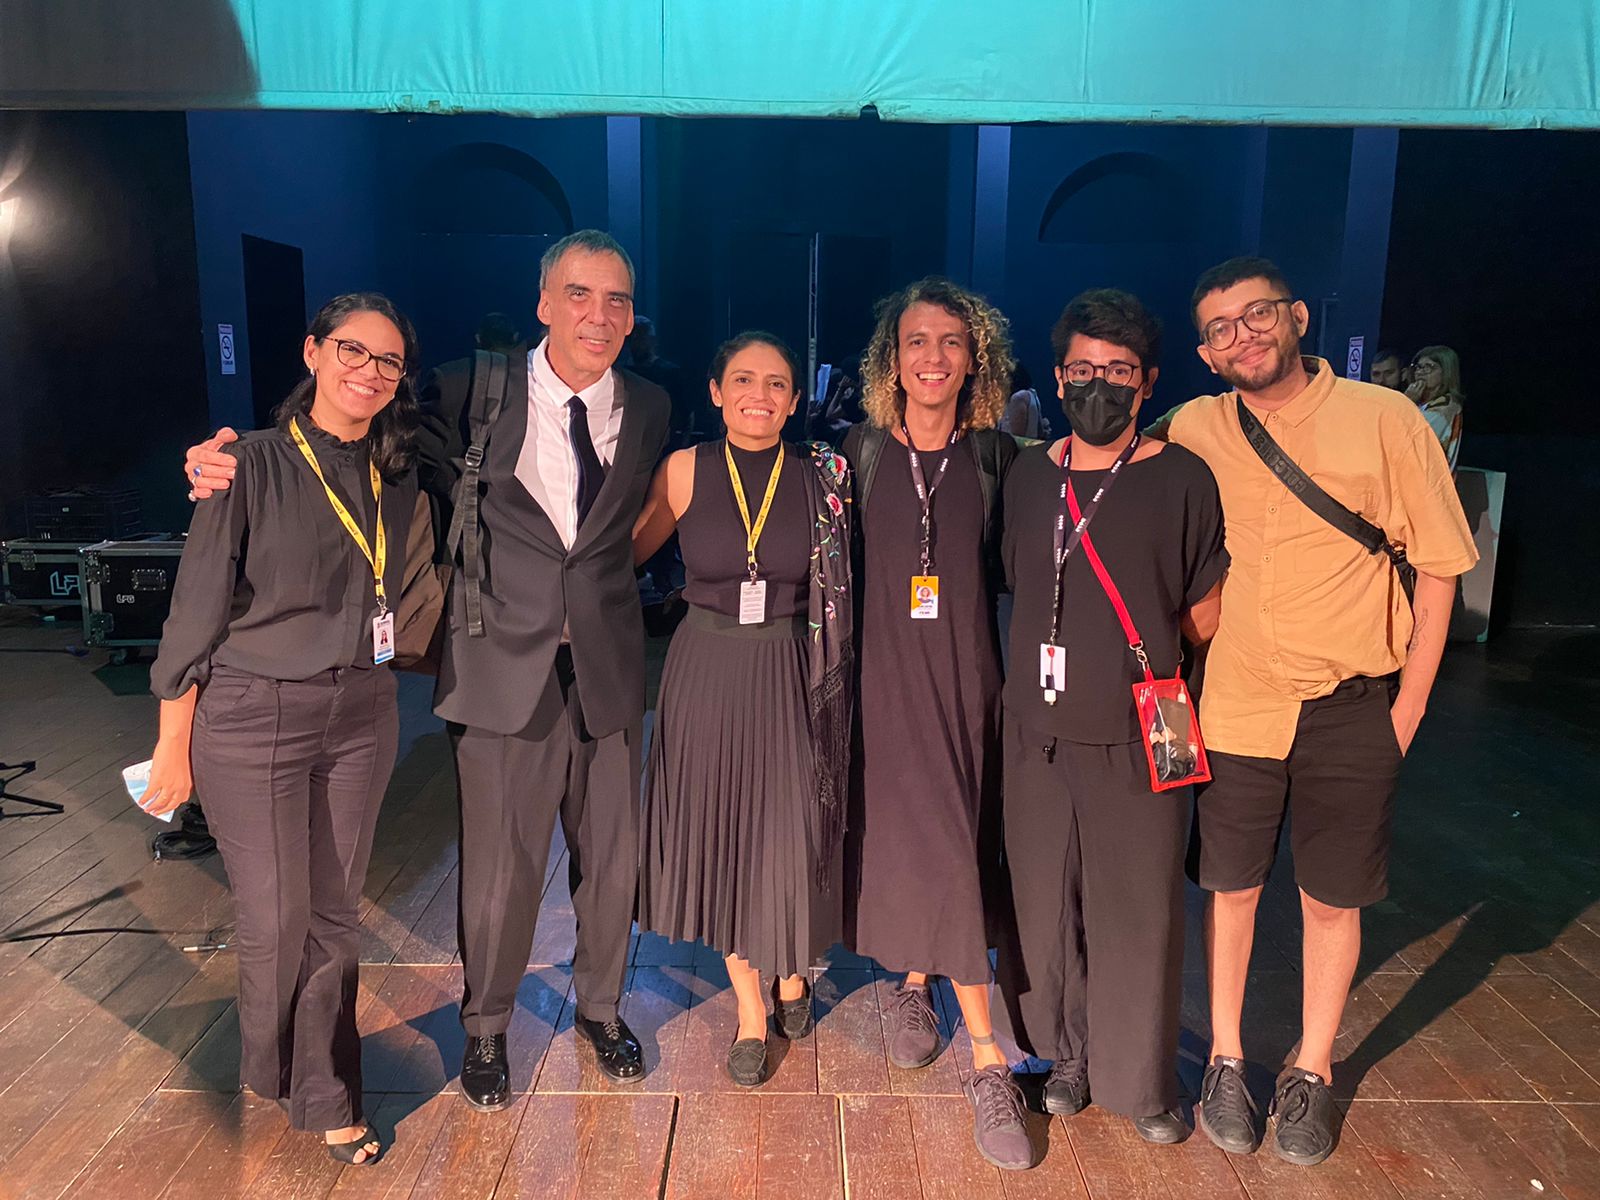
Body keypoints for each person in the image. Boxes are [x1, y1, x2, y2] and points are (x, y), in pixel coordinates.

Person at [184, 230, 673, 1110]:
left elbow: (630, 526)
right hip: (498, 665)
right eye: (579, 294)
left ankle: (601, 1009)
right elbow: (355, 441)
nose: (599, 315)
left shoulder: (649, 406)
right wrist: (233, 458)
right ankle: (486, 1026)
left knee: (612, 860)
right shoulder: (469, 388)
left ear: (632, 317)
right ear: (544, 303)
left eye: (617, 300)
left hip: (606, 665)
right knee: (499, 867)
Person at [1161, 257, 1477, 1167]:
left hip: (1351, 706)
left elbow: (1440, 568)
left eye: (1258, 313)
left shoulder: (1386, 420)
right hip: (1235, 703)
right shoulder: (1193, 428)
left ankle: (1312, 1065)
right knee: (1229, 888)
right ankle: (1226, 1058)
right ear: (1205, 352)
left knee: (1333, 899)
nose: (1243, 335)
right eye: (1221, 328)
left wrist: (1407, 711)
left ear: (1297, 315)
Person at [148, 293, 430, 1166]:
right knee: (276, 918)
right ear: (313, 352)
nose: (369, 371)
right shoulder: (247, 463)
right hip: (254, 713)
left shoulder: (397, 476)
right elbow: (196, 608)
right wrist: (172, 740)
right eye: (352, 350)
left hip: (362, 712)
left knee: (335, 916)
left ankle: (329, 1094)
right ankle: (273, 1068)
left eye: (388, 361)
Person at [996, 289, 1227, 1146]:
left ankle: (1141, 1079)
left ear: (1149, 382)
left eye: (1120, 372)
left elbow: (1204, 609)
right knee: (1041, 903)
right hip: (1035, 732)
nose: (1100, 385)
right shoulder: (1028, 474)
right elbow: (1017, 578)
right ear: (1059, 378)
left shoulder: (1181, 478)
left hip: (1138, 731)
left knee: (1138, 909)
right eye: (1084, 369)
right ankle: (1063, 1053)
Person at [842, 277, 1031, 1170]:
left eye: (952, 341)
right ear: (892, 358)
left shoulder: (999, 458)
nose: (933, 357)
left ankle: (944, 1009)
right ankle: (965, 1031)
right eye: (917, 340)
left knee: (959, 836)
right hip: (882, 681)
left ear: (975, 359)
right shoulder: (859, 453)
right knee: (916, 838)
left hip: (965, 679)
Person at [632, 331, 853, 1087]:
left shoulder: (823, 475)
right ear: (716, 391)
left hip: (793, 667)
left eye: (777, 383)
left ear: (794, 401)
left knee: (792, 831)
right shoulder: (686, 469)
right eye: (744, 380)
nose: (760, 395)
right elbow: (622, 552)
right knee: (725, 834)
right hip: (707, 668)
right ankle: (753, 1009)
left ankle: (793, 969)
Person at [1406, 345, 1465, 470]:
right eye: (1418, 367)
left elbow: (1408, 438)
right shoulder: (1419, 402)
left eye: (1429, 367)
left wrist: (1406, 402)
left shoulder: (1446, 407)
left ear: (1446, 372)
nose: (1420, 372)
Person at [999, 362, 1048, 440]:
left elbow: (1017, 436)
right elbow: (1041, 431)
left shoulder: (1018, 398)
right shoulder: (1032, 393)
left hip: (1019, 446)